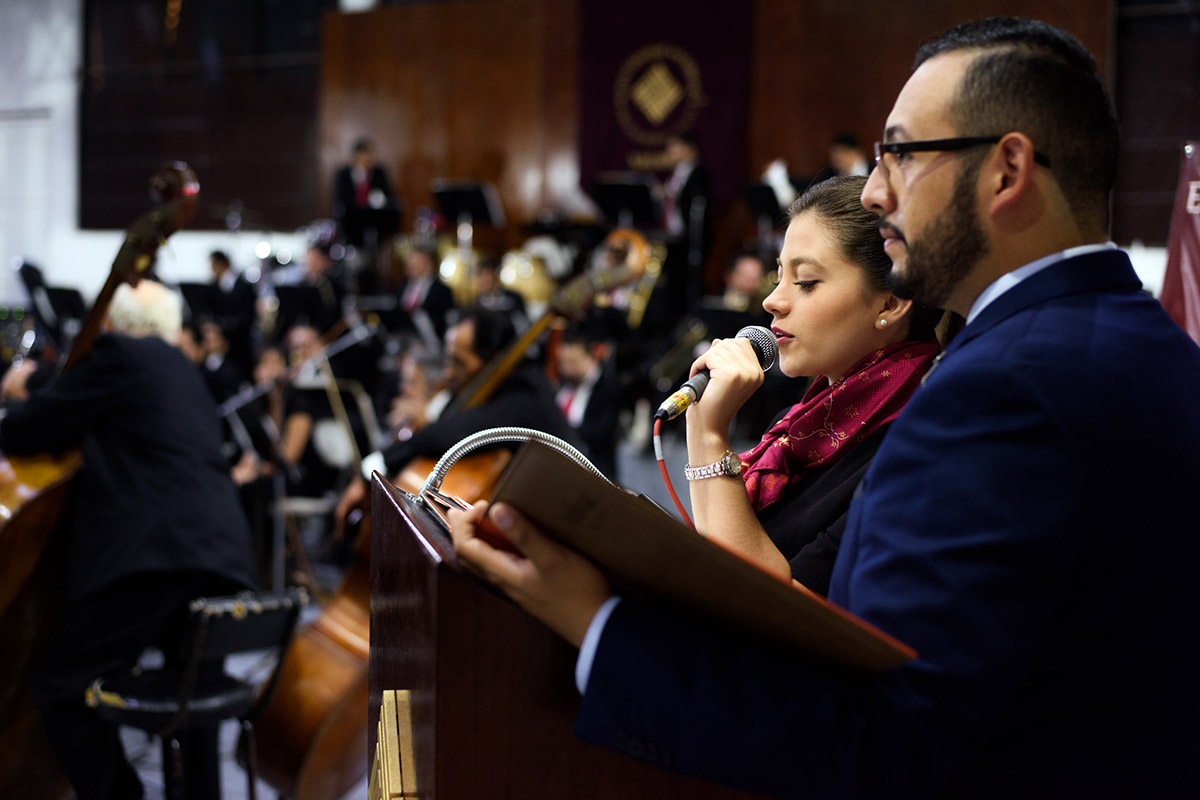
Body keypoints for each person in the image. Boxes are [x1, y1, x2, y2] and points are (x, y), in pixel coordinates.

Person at [448, 17, 1200, 797]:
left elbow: (887, 741)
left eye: (901, 155)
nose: (876, 192)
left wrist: (592, 621)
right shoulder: (1160, 347)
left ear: (1006, 171)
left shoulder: (994, 390)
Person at [0, 280, 259, 800]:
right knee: (193, 696)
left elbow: (32, 428)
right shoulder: (181, 370)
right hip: (222, 556)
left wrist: (14, 396)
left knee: (61, 687)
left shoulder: (119, 354)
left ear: (114, 325)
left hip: (158, 558)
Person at [686, 175, 943, 595]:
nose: (773, 301)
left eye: (805, 282)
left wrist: (710, 436)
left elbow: (780, 607)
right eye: (779, 277)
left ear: (891, 303)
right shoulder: (801, 421)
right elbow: (714, 552)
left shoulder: (914, 445)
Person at [336, 305, 575, 529]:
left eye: (459, 362)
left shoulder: (525, 395)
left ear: (493, 361)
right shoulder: (492, 386)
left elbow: (452, 432)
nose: (449, 372)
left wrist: (376, 466)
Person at [332, 137, 400, 253]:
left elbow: (390, 196)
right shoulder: (343, 174)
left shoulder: (379, 173)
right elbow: (340, 200)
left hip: (375, 225)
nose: (368, 159)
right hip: (351, 225)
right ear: (356, 156)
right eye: (365, 155)